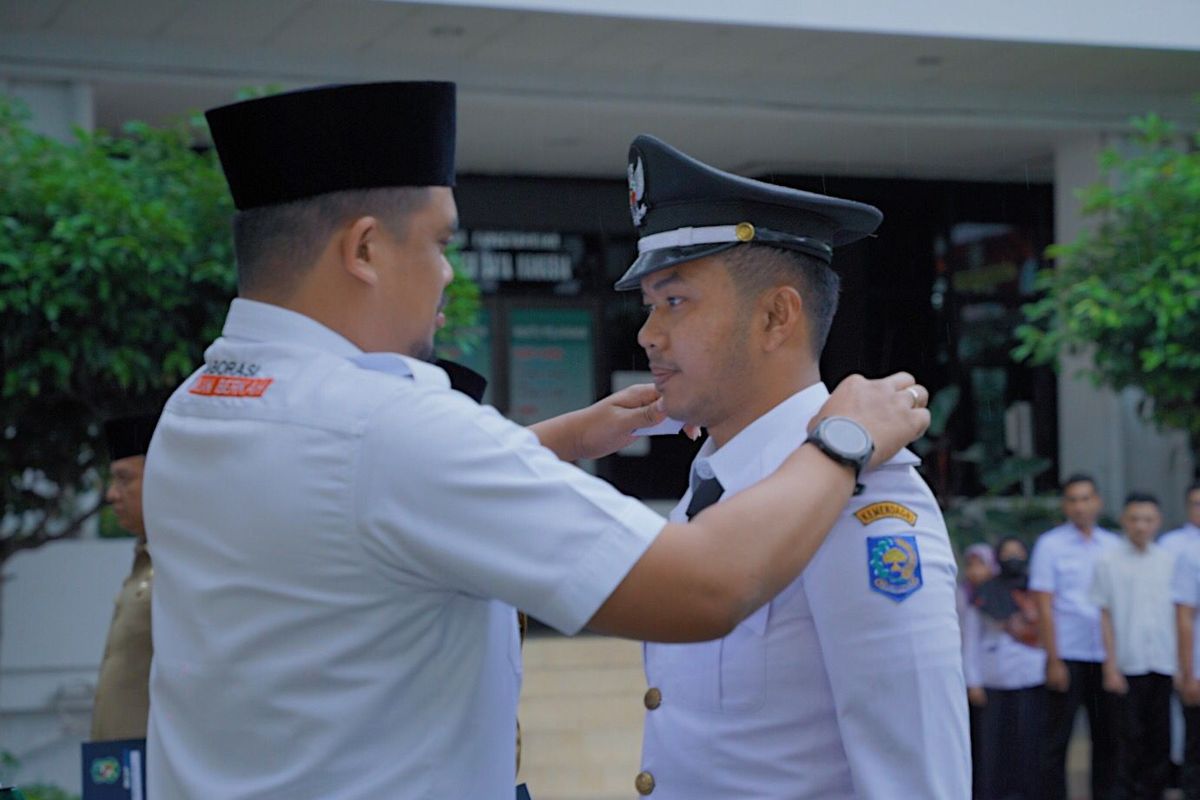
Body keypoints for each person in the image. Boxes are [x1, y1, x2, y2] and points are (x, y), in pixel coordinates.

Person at [141, 82, 931, 799]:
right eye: (442, 243)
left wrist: (550, 442)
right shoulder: (386, 427)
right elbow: (706, 586)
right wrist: (839, 442)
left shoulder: (200, 408)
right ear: (366, 250)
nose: (449, 276)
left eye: (676, 300)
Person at [615, 134, 969, 798]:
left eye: (675, 301)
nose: (647, 334)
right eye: (648, 306)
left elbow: (916, 772)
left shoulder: (865, 497)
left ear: (777, 316)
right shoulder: (714, 482)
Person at [1029, 473, 1121, 799]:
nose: (1080, 506)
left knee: (1108, 739)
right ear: (1065, 505)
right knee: (1056, 740)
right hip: (1068, 652)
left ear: (1098, 502)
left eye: (1086, 498)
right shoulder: (1050, 545)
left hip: (1106, 657)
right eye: (1073, 499)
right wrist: (1053, 660)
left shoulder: (1114, 545)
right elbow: (1043, 604)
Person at [1090, 492, 1175, 799]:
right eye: (1135, 519)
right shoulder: (1108, 561)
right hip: (1127, 664)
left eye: (1148, 520)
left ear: (1158, 523)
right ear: (1124, 521)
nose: (1141, 526)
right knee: (1126, 739)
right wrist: (1110, 666)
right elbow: (1104, 616)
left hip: (1163, 662)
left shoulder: (1167, 561)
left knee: (1159, 738)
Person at [90, 413, 158, 742]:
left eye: (124, 479)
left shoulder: (185, 563)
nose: (112, 495)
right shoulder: (144, 560)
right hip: (118, 768)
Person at [965, 537, 1046, 799]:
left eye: (1018, 553)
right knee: (995, 747)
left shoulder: (1036, 590)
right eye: (1007, 554)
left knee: (1029, 743)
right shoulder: (983, 593)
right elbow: (971, 639)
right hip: (994, 679)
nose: (1013, 559)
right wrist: (973, 681)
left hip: (1032, 676)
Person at [959, 541, 998, 792]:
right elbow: (967, 641)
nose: (975, 571)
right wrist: (971, 680)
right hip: (966, 678)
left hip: (992, 677)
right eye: (970, 565)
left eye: (981, 564)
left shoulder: (997, 594)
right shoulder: (961, 594)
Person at [1172, 506, 1200, 800]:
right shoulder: (1192, 554)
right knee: (1196, 750)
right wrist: (1188, 672)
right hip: (1199, 670)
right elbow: (1184, 617)